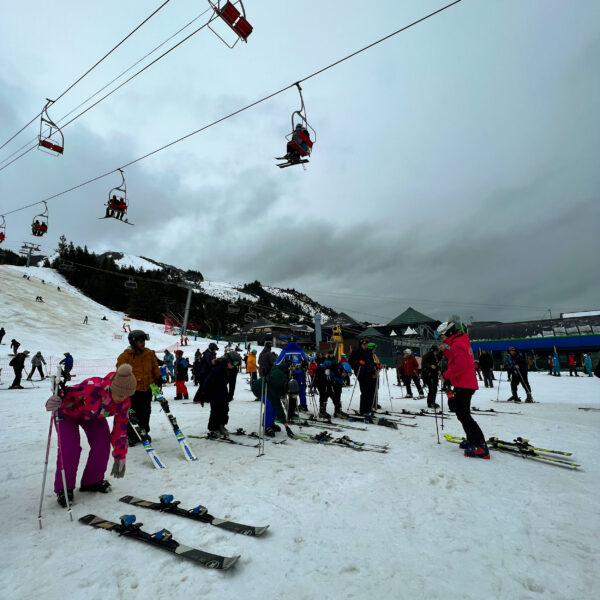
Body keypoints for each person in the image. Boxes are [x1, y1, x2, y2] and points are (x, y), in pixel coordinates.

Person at [45, 363, 137, 507]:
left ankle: (92, 480)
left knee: (102, 442)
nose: (122, 398)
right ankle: (64, 488)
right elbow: (64, 393)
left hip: (92, 415)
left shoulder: (124, 402)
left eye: (127, 395)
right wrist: (53, 401)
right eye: (120, 394)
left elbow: (121, 430)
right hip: (67, 412)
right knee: (70, 448)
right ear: (112, 388)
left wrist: (120, 455)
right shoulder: (93, 387)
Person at [438, 321, 488, 459]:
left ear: (449, 333)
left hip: (464, 384)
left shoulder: (457, 344)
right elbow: (456, 358)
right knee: (461, 414)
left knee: (464, 415)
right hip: (464, 383)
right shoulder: (459, 343)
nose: (442, 339)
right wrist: (446, 351)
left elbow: (460, 366)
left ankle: (480, 444)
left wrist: (445, 375)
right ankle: (472, 439)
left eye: (442, 336)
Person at [116, 330, 161, 445]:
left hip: (147, 388)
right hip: (133, 391)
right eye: (141, 341)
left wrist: (158, 377)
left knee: (146, 412)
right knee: (133, 414)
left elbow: (154, 365)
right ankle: (131, 435)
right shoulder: (125, 356)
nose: (143, 343)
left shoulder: (148, 353)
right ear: (133, 342)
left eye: (144, 341)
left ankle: (143, 432)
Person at [194, 351, 242, 438]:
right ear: (228, 361)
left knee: (225, 408)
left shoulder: (233, 370)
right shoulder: (217, 369)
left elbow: (232, 383)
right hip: (213, 390)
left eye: (237, 364)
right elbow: (207, 382)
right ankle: (213, 428)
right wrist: (203, 396)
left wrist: (230, 395)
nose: (235, 365)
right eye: (234, 363)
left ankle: (221, 425)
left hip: (223, 389)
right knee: (216, 409)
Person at [251, 360, 293, 437]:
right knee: (270, 404)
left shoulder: (283, 377)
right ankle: (266, 426)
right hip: (259, 388)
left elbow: (276, 367)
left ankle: (271, 423)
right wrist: (286, 426)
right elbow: (278, 407)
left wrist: (286, 365)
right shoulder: (275, 387)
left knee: (273, 405)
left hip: (268, 387)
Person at [349, 338, 377, 415]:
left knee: (371, 391)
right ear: (361, 345)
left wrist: (374, 370)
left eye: (366, 344)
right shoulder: (357, 351)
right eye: (364, 344)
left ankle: (369, 408)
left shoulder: (368, 352)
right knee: (365, 392)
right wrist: (358, 362)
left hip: (369, 373)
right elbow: (350, 361)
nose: (365, 346)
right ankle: (363, 409)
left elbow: (371, 362)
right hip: (362, 374)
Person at [314, 351, 345, 418]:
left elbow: (336, 373)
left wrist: (340, 376)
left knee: (333, 396)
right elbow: (317, 373)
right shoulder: (322, 367)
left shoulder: (333, 366)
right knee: (323, 396)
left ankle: (337, 410)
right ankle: (322, 411)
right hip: (322, 384)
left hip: (328, 383)